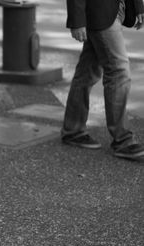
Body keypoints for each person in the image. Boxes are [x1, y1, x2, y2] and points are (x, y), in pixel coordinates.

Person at [62, 0, 144, 160]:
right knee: (119, 70)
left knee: (88, 71)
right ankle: (123, 140)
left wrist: (138, 5)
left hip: (117, 9)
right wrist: (77, 20)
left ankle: (73, 130)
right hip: (98, 10)